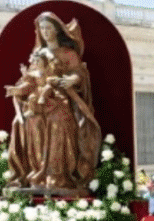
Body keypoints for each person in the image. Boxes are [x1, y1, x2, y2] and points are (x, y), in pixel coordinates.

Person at [6, 12, 101, 190]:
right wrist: (18, 88)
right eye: (42, 28)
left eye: (49, 27)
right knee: (23, 123)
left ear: (57, 30)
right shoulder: (37, 53)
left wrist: (73, 79)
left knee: (58, 121)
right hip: (37, 100)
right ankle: (36, 171)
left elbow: (79, 73)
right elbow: (31, 78)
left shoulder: (68, 53)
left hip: (61, 98)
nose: (45, 31)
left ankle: (56, 173)